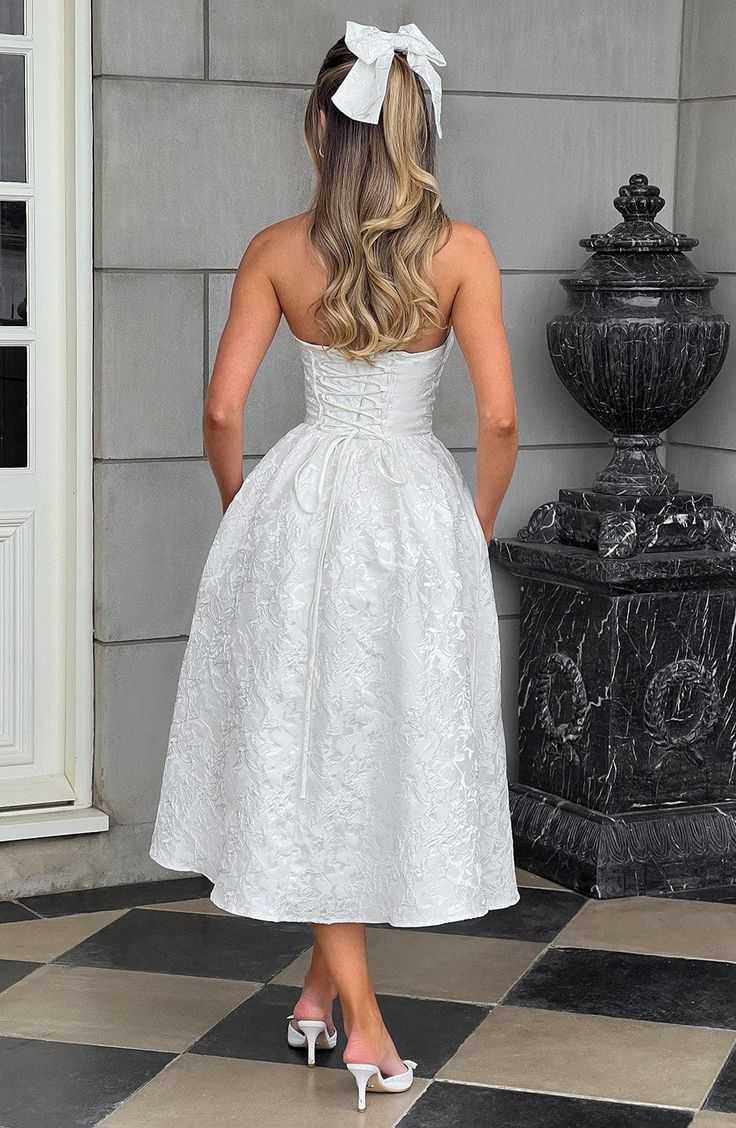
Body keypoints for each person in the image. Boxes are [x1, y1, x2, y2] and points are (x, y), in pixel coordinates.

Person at [149, 19, 520, 1112]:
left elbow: (222, 410)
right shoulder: (464, 253)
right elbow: (496, 420)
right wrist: (468, 524)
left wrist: (246, 508)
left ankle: (321, 999)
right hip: (413, 504)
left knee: (319, 742)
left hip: (303, 505)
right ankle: (361, 1023)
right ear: (421, 134)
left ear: (323, 127)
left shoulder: (276, 248)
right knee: (361, 740)